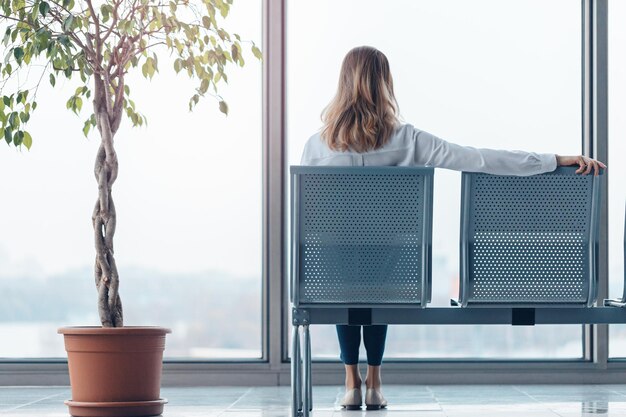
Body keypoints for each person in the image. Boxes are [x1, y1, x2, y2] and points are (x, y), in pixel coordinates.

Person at [299, 45, 606, 411]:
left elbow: (311, 216)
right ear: (385, 84)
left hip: (332, 274)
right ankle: (375, 381)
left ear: (343, 83)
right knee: (377, 268)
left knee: (346, 274)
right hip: (397, 275)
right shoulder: (407, 139)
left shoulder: (317, 146)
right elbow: (476, 158)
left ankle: (351, 382)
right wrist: (551, 160)